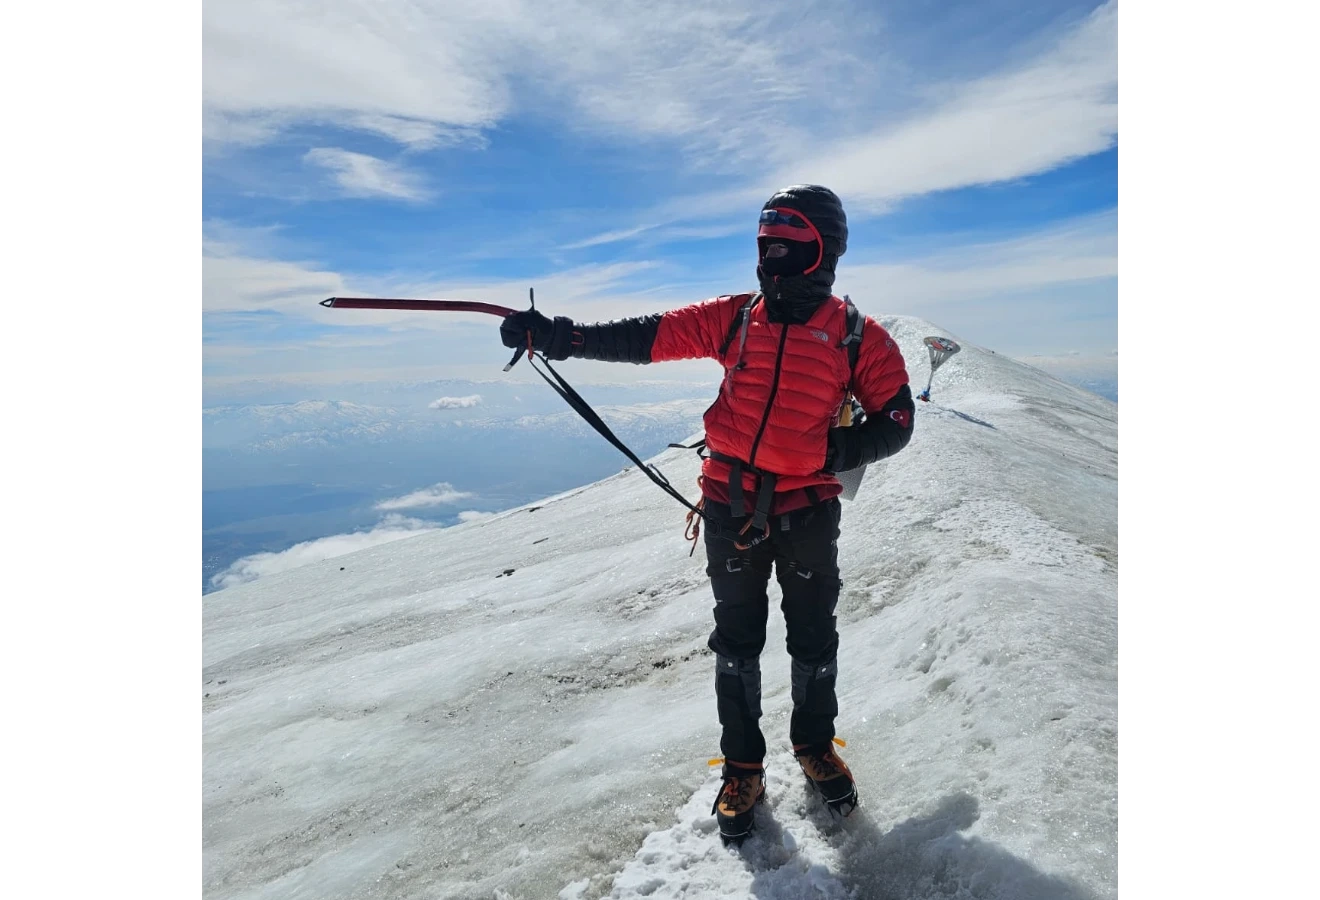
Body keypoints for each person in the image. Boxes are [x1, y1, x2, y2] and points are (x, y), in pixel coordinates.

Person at [499, 185, 915, 842]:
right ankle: (744, 766)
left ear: (821, 249)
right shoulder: (735, 317)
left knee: (812, 640)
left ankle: (813, 746)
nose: (772, 255)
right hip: (731, 508)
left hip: (807, 513)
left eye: (787, 243)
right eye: (766, 243)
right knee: (738, 643)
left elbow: (897, 419)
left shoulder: (857, 336)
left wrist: (832, 447)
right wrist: (560, 336)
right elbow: (647, 338)